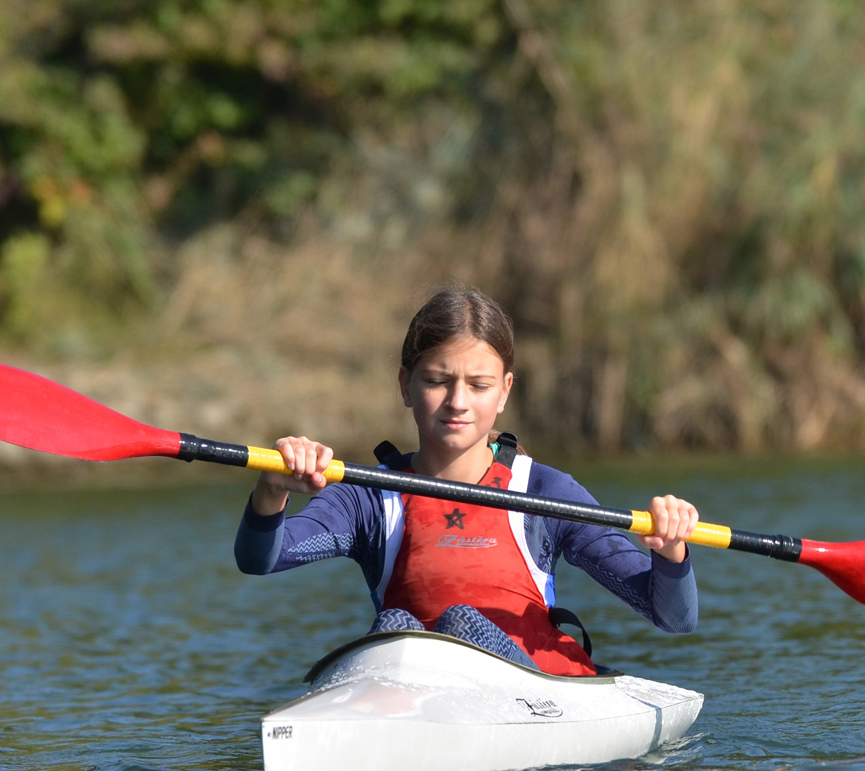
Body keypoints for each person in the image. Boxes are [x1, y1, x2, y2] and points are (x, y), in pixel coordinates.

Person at [234, 287, 699, 676]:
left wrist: (672, 551)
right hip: (413, 687)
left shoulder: (544, 492)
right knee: (397, 626)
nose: (458, 402)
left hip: (534, 697)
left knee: (461, 622)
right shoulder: (368, 498)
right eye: (437, 381)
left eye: (478, 386)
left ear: (504, 393)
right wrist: (272, 490)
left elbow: (673, 617)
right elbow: (261, 559)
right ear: (405, 385)